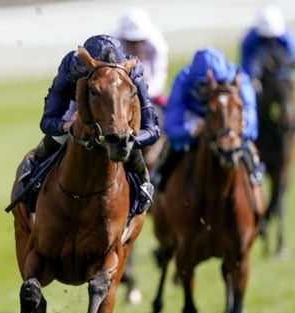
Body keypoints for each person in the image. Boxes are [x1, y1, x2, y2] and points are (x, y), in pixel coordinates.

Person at [23, 34, 160, 213]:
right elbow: (47, 121)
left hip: (118, 109)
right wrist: (65, 126)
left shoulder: (133, 72)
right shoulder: (72, 67)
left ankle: (143, 184)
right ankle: (32, 172)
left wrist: (128, 139)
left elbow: (152, 130)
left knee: (128, 141)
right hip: (82, 104)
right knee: (60, 137)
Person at [153, 47, 262, 190]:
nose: (211, 89)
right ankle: (159, 175)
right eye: (204, 85)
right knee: (172, 145)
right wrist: (190, 131)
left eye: (218, 83)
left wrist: (237, 134)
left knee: (246, 143)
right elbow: (171, 126)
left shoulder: (240, 79)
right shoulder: (183, 80)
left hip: (227, 119)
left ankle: (254, 171)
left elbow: (251, 125)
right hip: (196, 117)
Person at [115, 7, 169, 109]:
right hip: (119, 87)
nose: (136, 46)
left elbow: (158, 78)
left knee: (169, 112)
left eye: (140, 40)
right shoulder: (113, 42)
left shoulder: (157, 44)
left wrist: (141, 92)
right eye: (131, 41)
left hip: (147, 86)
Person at [240, 4, 295, 87]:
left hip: (281, 75)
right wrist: (253, 77)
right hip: (259, 74)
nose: (270, 39)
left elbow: (290, 59)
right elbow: (247, 62)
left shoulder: (287, 39)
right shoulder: (250, 40)